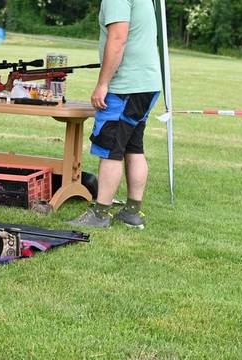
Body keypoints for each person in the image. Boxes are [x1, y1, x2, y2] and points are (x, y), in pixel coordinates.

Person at [66, 0, 161, 229]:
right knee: (133, 147)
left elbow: (118, 38)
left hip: (125, 87)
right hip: (146, 84)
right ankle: (132, 212)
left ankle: (100, 214)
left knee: (110, 149)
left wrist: (102, 84)